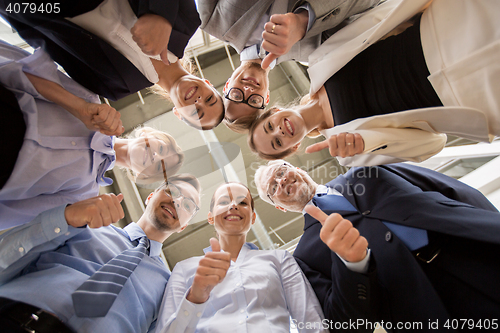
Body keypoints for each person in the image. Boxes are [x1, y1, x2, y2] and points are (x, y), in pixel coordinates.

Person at [254, 160, 500, 331]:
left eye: (280, 171)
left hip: (476, 251)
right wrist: (352, 266)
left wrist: (491, 226)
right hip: (430, 311)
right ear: (279, 206)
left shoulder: (364, 170)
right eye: (272, 188)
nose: (281, 180)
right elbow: (346, 323)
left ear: (295, 168)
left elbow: (449, 188)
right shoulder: (305, 257)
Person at [248, 0, 499, 166]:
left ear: (276, 111)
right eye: (277, 143)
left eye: (269, 127)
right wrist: (367, 143)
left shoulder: (318, 61)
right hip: (462, 92)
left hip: (443, 28)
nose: (278, 132)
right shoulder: (348, 154)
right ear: (294, 148)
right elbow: (434, 143)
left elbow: (376, 22)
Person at [0, 42, 184, 230]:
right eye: (161, 148)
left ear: (141, 175)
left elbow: (17, 212)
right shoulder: (90, 100)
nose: (156, 156)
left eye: (158, 165)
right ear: (147, 133)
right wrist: (79, 107)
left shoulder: (83, 195)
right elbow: (28, 69)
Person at [0, 174, 202, 333]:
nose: (177, 202)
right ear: (151, 196)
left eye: (187, 205)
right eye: (172, 191)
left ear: (184, 226)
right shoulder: (82, 224)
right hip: (12, 316)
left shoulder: (170, 288)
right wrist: (65, 217)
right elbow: (6, 255)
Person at [155, 182, 326, 333]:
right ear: (210, 217)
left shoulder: (279, 260)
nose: (233, 205)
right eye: (223, 202)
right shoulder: (184, 269)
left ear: (252, 217)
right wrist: (195, 297)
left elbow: (311, 321)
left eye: (242, 202)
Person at [197, 0, 380, 132]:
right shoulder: (315, 52)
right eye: (253, 101)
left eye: (237, 95)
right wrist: (303, 21)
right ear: (266, 97)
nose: (247, 89)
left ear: (228, 85)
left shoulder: (212, 21)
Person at [0, 0, 201, 101]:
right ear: (208, 83)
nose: (197, 102)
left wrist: (16, 10)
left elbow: (56, 49)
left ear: (179, 114)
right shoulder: (188, 24)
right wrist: (162, 16)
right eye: (209, 99)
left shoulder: (113, 89)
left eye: (195, 113)